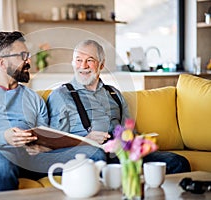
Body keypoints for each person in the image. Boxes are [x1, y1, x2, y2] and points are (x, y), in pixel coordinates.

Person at [0, 31, 106, 192]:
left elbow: (44, 135)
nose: (29, 60)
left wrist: (42, 146)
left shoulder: (34, 98)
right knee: (3, 161)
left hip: (31, 158)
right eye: (22, 56)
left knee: (95, 155)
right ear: (2, 62)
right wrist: (4, 137)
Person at [47, 39, 191, 174]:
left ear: (101, 65)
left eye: (89, 60)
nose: (83, 66)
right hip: (90, 155)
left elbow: (128, 130)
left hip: (122, 153)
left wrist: (135, 141)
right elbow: (53, 141)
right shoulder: (61, 95)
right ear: (73, 63)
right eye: (79, 60)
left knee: (177, 162)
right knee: (98, 157)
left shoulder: (114, 93)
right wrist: (86, 139)